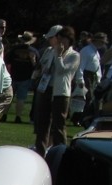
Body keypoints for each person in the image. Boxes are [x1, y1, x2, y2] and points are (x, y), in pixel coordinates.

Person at [33, 25, 79, 156]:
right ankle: (40, 153)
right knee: (42, 124)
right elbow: (44, 66)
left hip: (61, 93)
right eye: (59, 39)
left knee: (59, 125)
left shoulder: (74, 55)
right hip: (46, 89)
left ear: (69, 40)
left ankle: (61, 154)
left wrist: (59, 56)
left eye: (63, 40)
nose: (60, 43)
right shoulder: (51, 51)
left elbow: (62, 71)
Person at [4, 31, 37, 124]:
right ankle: (18, 116)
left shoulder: (14, 49)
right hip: (26, 77)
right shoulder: (33, 51)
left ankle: (4, 115)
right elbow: (37, 66)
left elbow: (6, 60)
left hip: (13, 76)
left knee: (8, 97)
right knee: (21, 99)